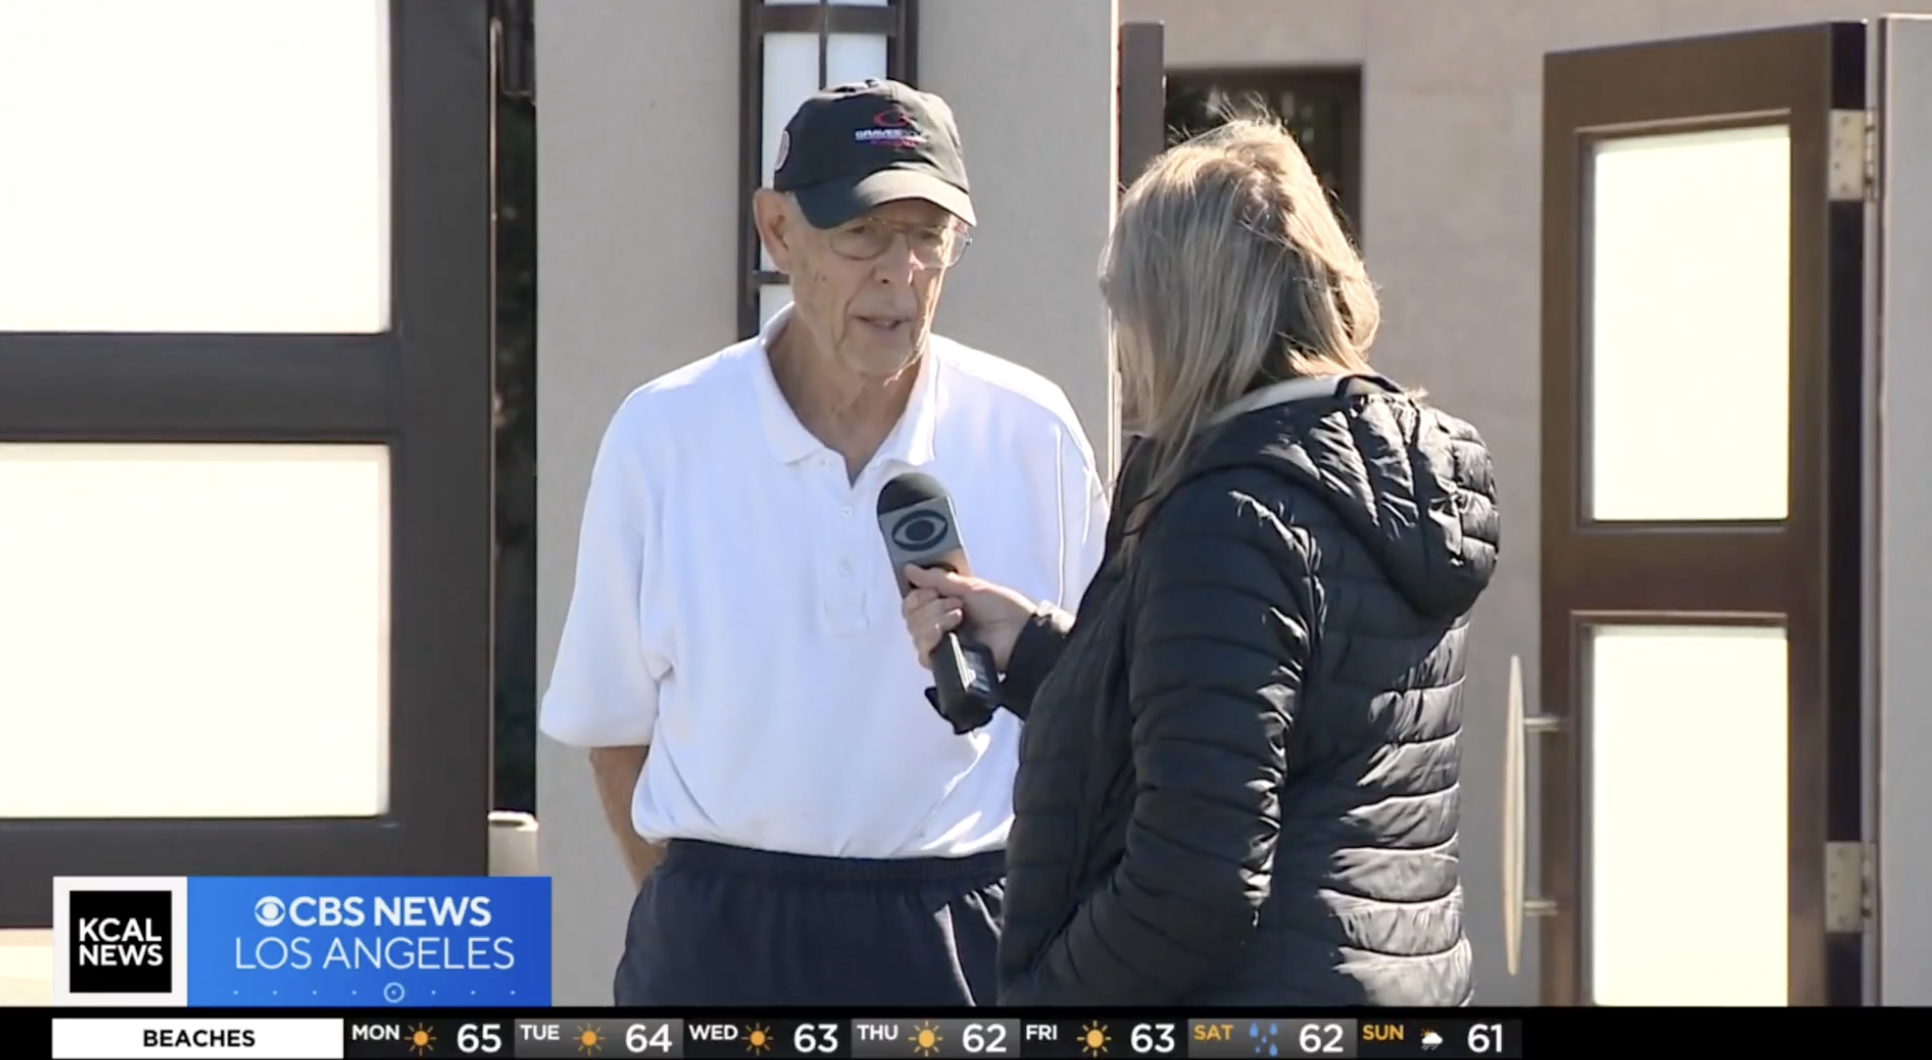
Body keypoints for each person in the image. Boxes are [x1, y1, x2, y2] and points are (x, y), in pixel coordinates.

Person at [899, 117, 1500, 1006]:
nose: (1121, 345)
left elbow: (1197, 878)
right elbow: (1255, 727)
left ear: (1182, 313)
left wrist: (1046, 1001)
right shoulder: (1392, 477)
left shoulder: (1231, 511)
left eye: (1128, 308)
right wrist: (1033, 652)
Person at [538, 79, 1108, 1006]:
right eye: (864, 235)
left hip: (964, 931)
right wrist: (702, 913)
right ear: (777, 231)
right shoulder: (664, 431)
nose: (901, 273)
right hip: (720, 935)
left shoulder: (1031, 430)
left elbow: (1099, 715)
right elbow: (615, 730)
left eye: (930, 236)